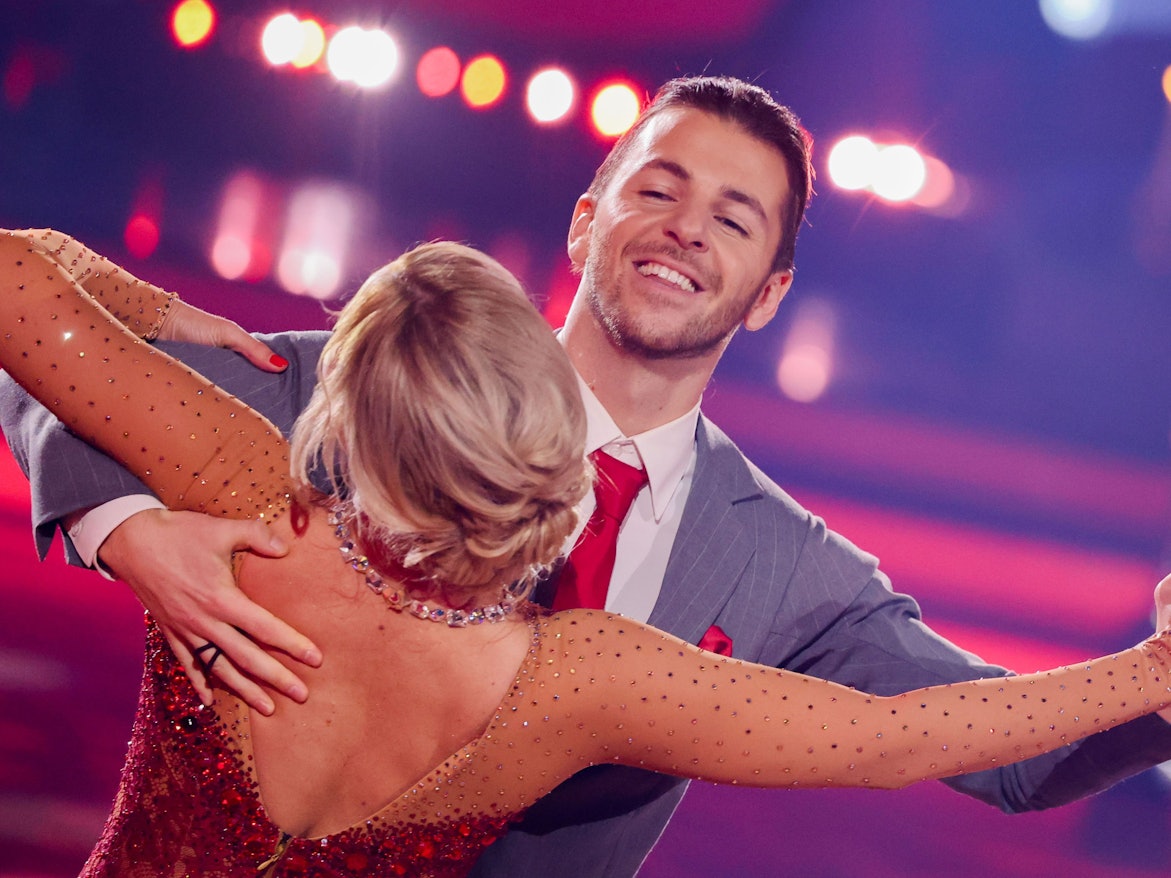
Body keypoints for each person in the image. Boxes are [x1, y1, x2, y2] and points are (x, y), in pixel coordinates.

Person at [4, 76, 1171, 877]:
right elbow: (44, 374)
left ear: (768, 291)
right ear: (584, 220)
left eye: (733, 216)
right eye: (657, 188)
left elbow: (996, 754)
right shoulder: (354, 377)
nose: (684, 228)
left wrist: (1158, 685)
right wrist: (120, 523)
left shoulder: (792, 567)